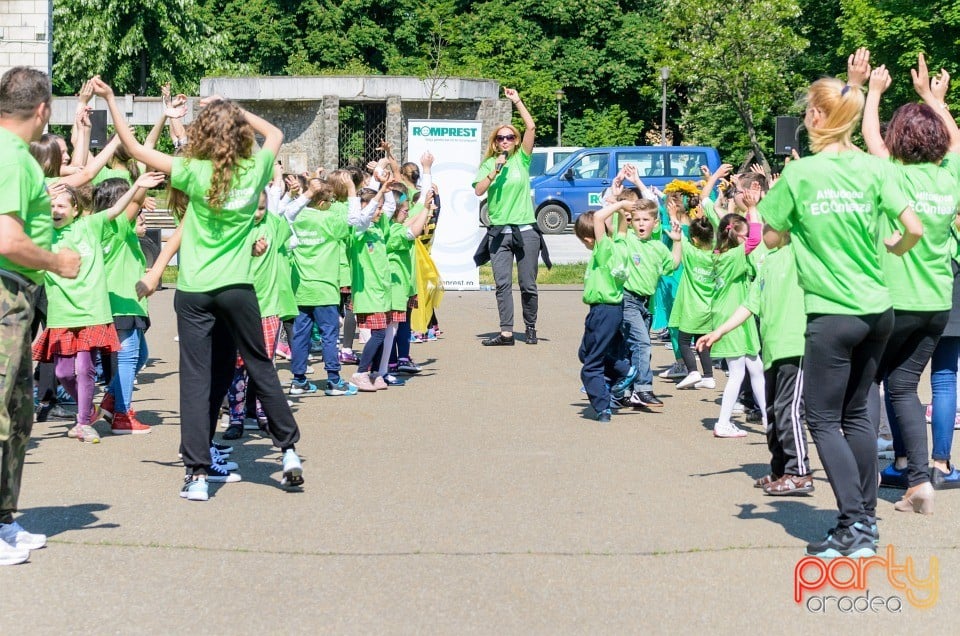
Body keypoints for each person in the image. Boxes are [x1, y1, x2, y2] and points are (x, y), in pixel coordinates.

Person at [93, 76, 304, 500]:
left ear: (204, 133)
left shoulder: (194, 170)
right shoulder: (257, 168)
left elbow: (134, 149)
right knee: (259, 365)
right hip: (238, 288)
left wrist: (112, 99)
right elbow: (276, 134)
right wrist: (232, 108)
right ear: (240, 132)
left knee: (196, 377)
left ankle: (197, 475)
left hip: (195, 291)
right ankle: (288, 452)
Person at [759, 48, 923, 558]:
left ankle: (855, 524)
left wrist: (790, 239)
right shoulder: (876, 170)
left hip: (831, 315)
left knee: (821, 419)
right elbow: (913, 228)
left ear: (815, 116)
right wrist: (894, 247)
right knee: (857, 416)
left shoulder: (801, 174)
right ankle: (864, 522)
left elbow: (769, 237)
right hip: (878, 310)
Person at [863, 56, 960, 512]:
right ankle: (919, 481)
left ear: (897, 138)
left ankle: (863, 479)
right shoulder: (949, 176)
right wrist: (932, 101)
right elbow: (956, 140)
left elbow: (869, 139)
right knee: (903, 385)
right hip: (937, 302)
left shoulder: (892, 173)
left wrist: (873, 93)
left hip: (895, 300)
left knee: (866, 382)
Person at [0, 66, 81, 563]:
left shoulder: (16, 158)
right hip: (6, 294)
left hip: (18, 297)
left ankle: (5, 521)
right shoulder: (11, 157)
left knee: (17, 413)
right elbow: (5, 239)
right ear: (44, 110)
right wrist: (56, 260)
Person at [698, 234, 812, 493]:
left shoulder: (799, 252)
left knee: (789, 410)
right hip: (772, 348)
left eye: (769, 226)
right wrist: (719, 332)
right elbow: (749, 304)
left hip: (796, 346)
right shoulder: (767, 262)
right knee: (772, 412)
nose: (763, 232)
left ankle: (800, 472)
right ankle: (780, 470)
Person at [473, 87, 548, 346]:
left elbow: (531, 127)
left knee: (527, 284)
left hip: (525, 231)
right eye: (501, 138)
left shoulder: (521, 159)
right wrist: (494, 171)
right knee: (502, 284)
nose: (505, 141)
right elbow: (478, 190)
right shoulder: (489, 164)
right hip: (499, 232)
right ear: (495, 142)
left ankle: (530, 326)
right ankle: (506, 332)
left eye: (509, 137)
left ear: (515, 141)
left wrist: (517, 101)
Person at [575, 199, 633, 422]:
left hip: (603, 310)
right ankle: (622, 369)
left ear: (589, 239)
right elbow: (621, 229)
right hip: (612, 310)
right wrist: (621, 209)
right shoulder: (621, 245)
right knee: (585, 352)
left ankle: (603, 407)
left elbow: (598, 218)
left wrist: (621, 205)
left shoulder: (604, 250)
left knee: (591, 365)